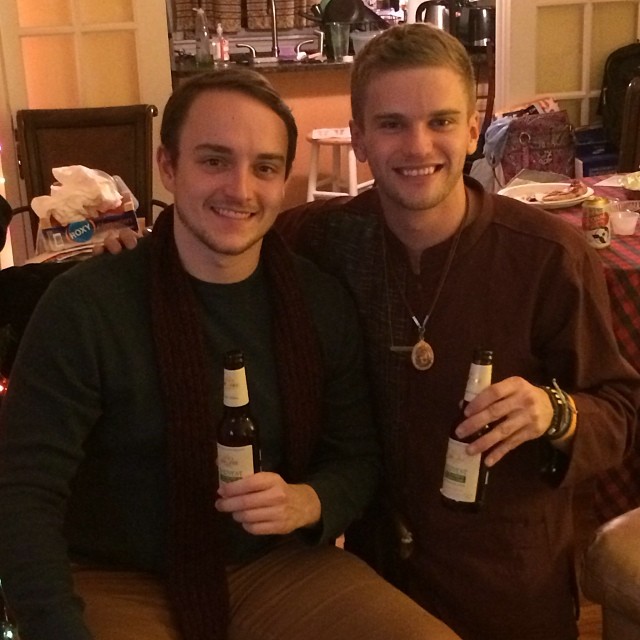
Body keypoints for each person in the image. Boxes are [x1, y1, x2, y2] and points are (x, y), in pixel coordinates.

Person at [0, 69, 460, 640]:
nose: (240, 189)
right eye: (215, 160)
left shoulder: (317, 300)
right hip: (115, 574)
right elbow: (23, 490)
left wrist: (311, 500)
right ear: (168, 167)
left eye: (264, 167)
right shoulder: (88, 306)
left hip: (274, 564)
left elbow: (357, 456)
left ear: (283, 180)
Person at [272, 24, 640, 640]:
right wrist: (125, 250)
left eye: (440, 121)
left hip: (509, 584)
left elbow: (622, 411)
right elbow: (222, 236)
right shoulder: (320, 240)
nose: (418, 146)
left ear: (473, 130)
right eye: (391, 124)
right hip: (373, 582)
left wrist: (553, 411)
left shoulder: (548, 255)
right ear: (358, 137)